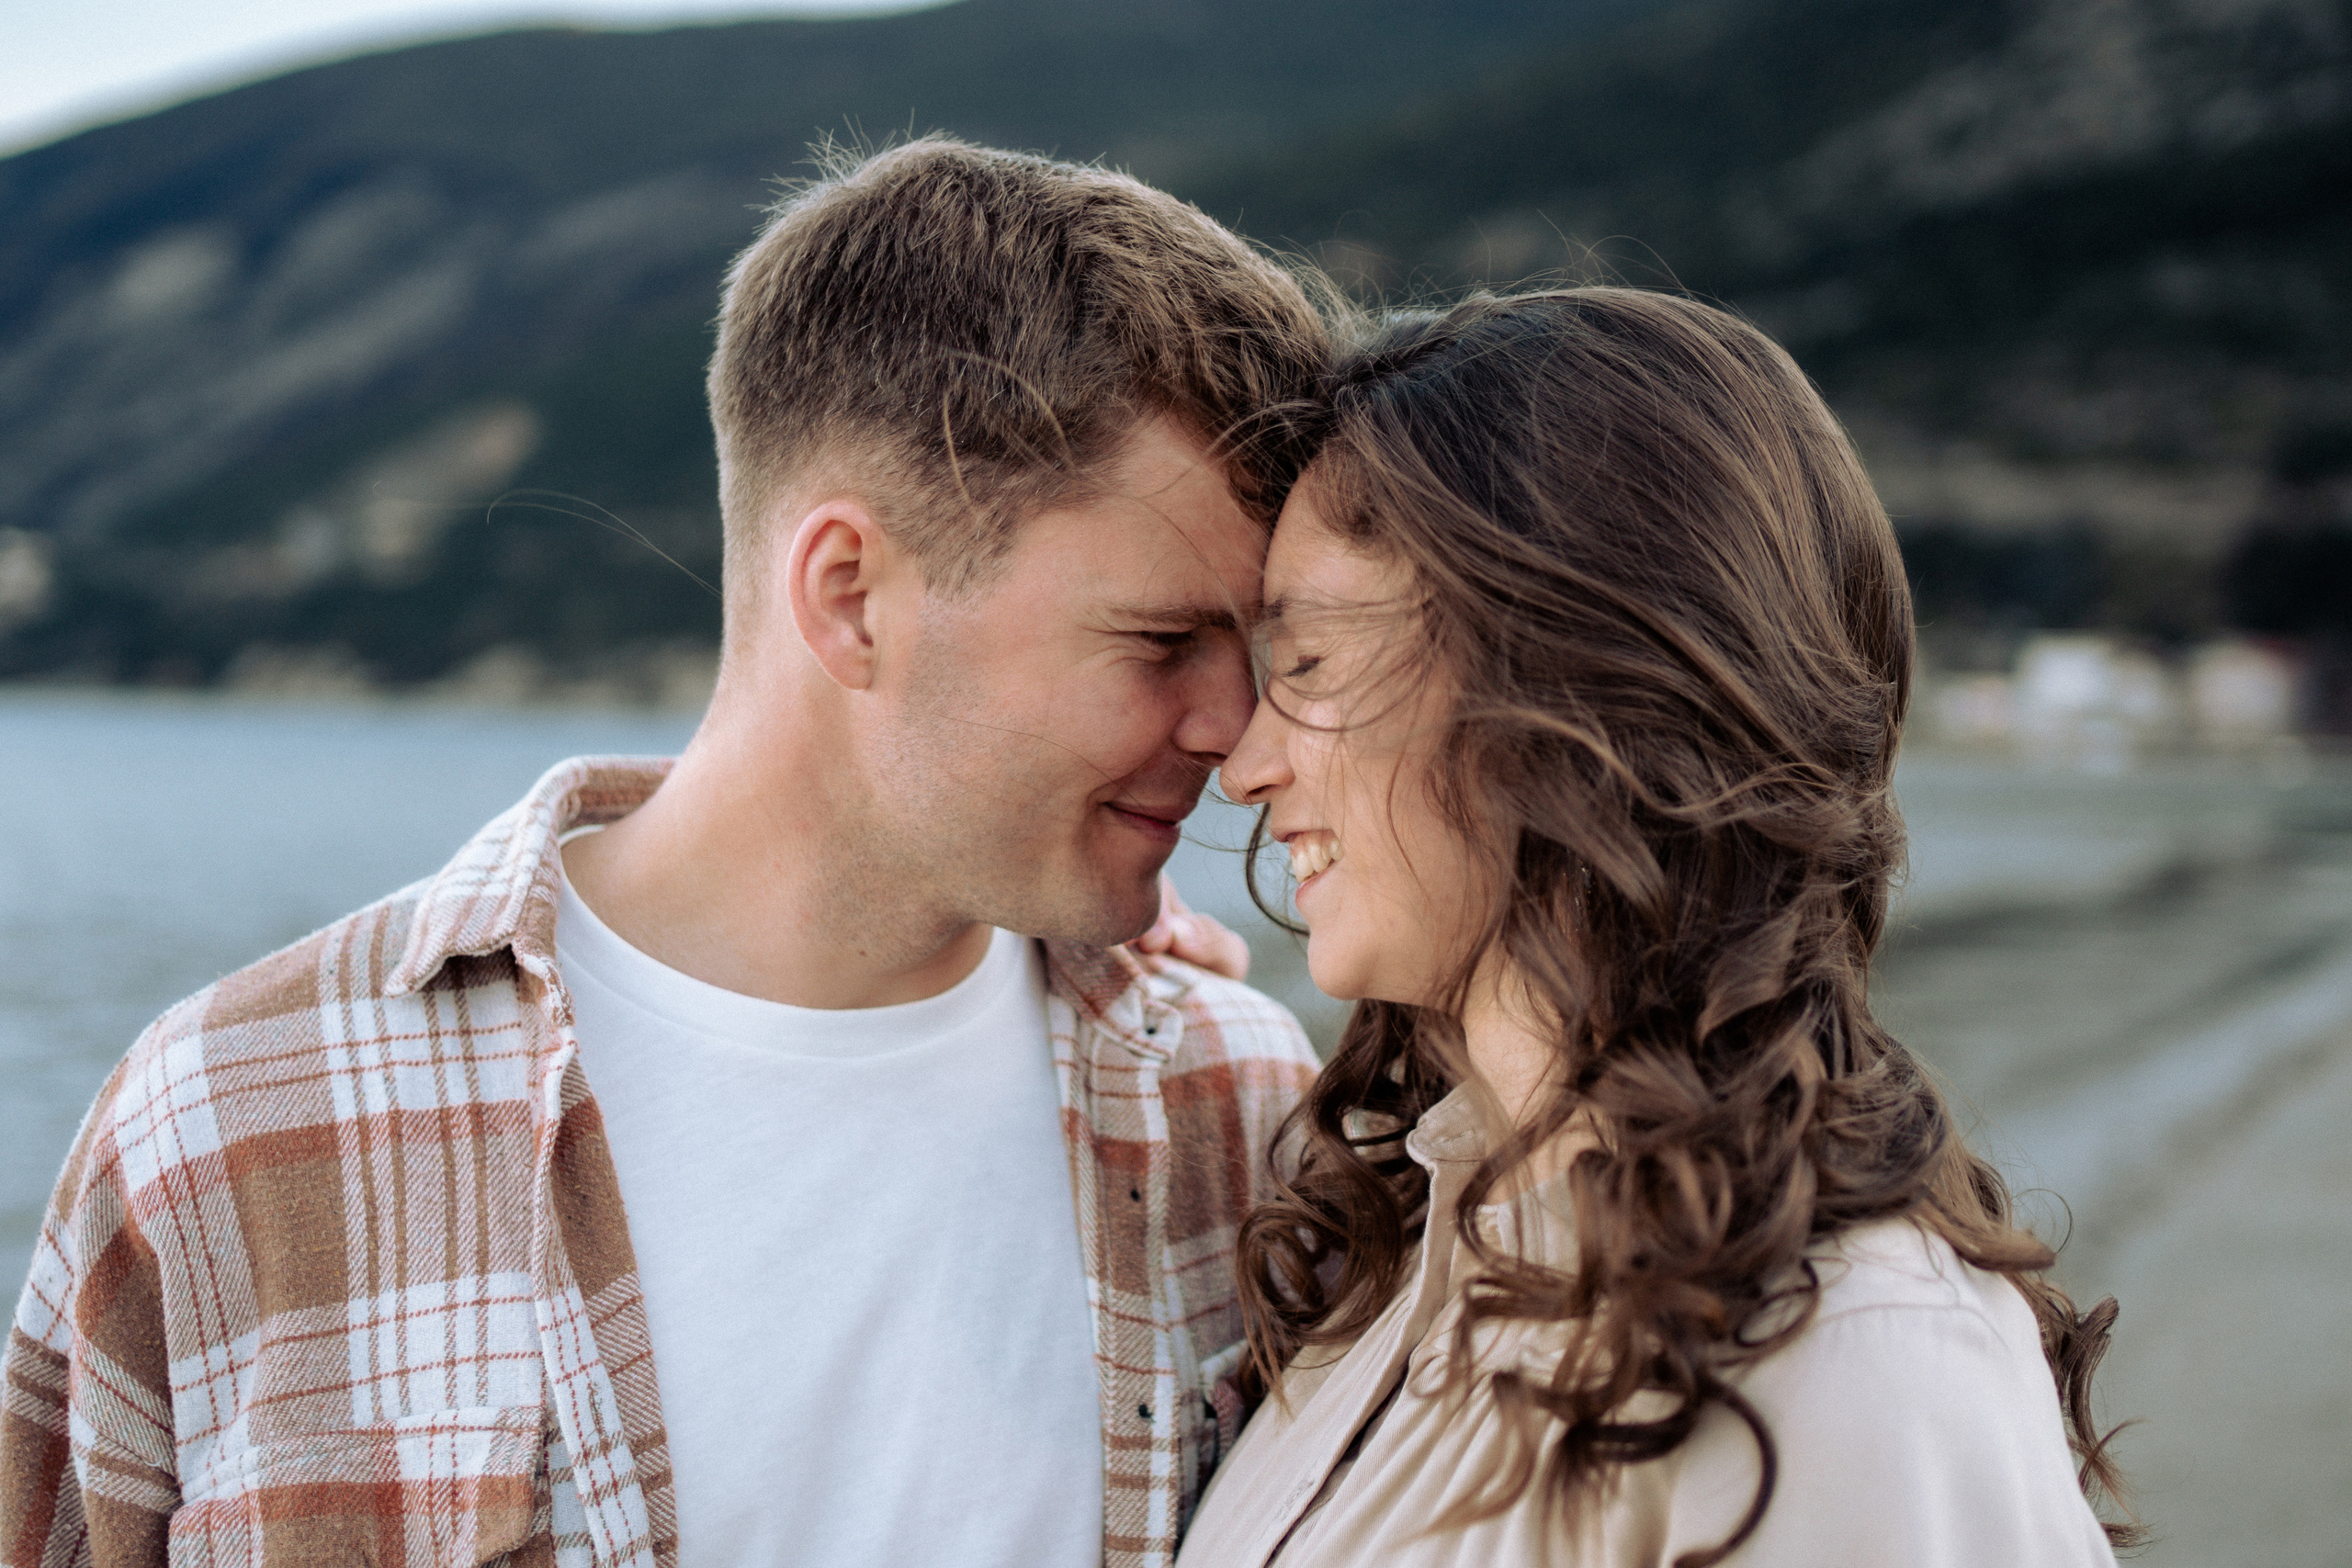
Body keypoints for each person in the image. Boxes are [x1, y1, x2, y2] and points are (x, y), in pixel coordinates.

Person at [0, 141, 1325, 1568]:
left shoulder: (1239, 1108)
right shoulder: (235, 1122)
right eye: (1160, 642)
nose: (1241, 735)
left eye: (1254, 650)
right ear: (850, 594)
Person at [1177, 288, 2136, 1566]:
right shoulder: (1402, 1261)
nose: (1241, 766)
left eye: (1304, 666)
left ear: (1559, 672)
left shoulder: (1848, 1363)